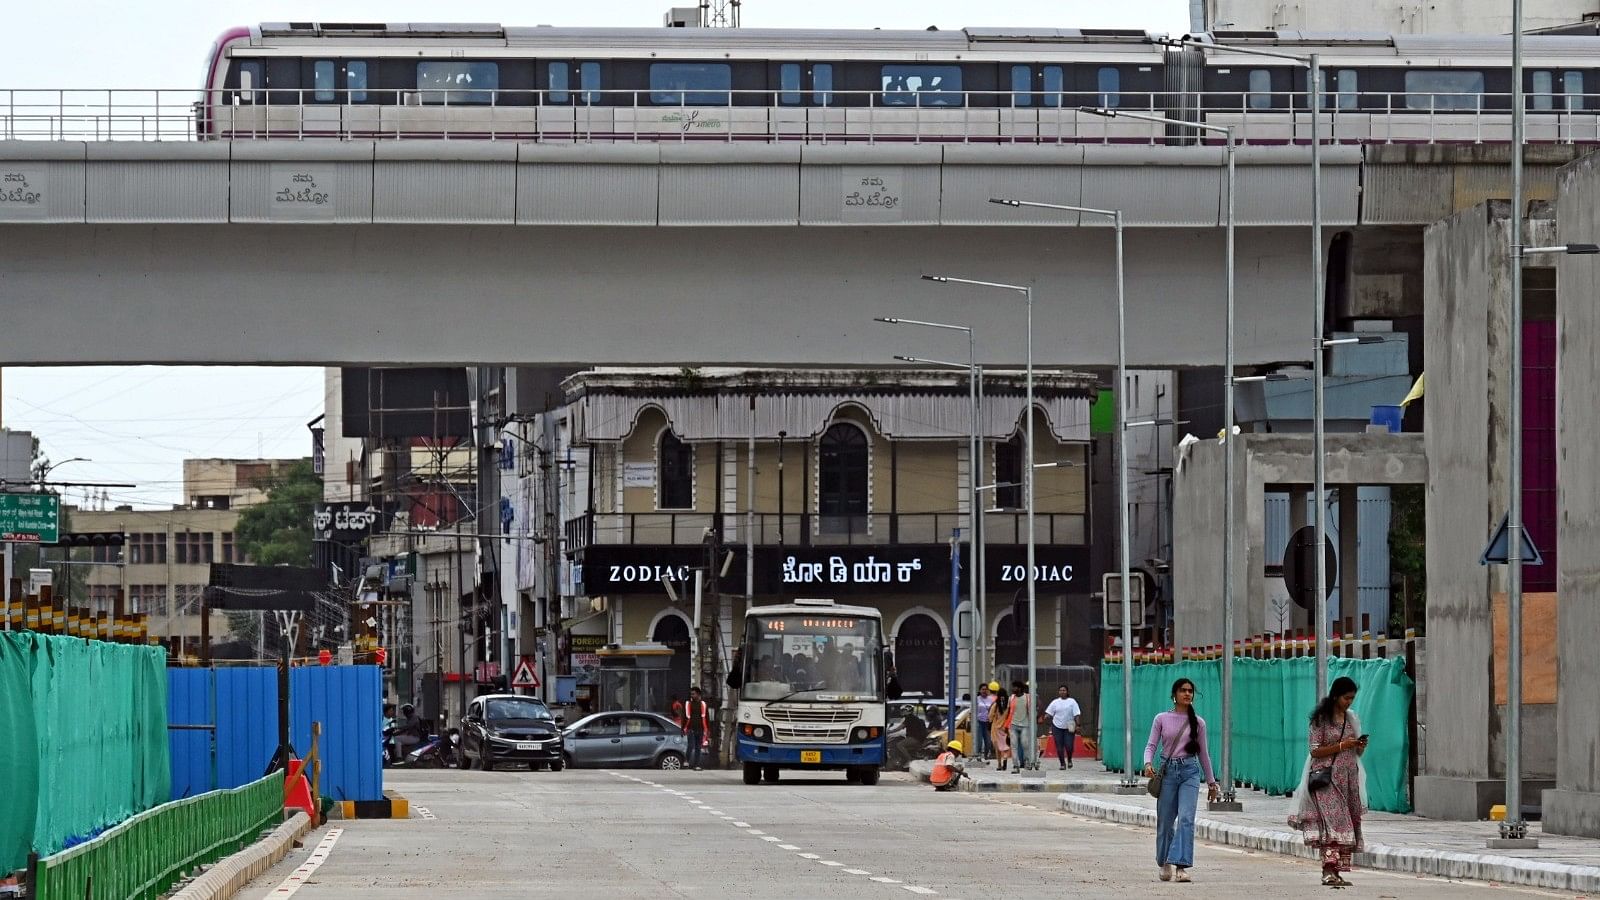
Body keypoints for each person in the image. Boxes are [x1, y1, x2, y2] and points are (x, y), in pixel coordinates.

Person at [1289, 676, 1367, 888]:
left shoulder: (1351, 718)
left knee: (1347, 822)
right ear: (1335, 696)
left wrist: (1359, 745)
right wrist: (1341, 745)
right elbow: (1315, 750)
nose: (1348, 702)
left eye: (1352, 698)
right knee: (1334, 823)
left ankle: (1338, 871)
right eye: (1345, 698)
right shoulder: (1321, 720)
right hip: (1326, 779)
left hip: (1348, 779)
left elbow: (1356, 750)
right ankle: (1327, 869)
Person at [1142, 678, 1221, 883]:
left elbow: (1204, 754)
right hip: (1168, 772)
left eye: (1190, 691)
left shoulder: (1199, 723)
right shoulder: (1161, 719)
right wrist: (1147, 763)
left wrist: (1212, 783)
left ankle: (1181, 866)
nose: (1187, 694)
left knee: (1186, 819)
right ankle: (1165, 861)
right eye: (1183, 690)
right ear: (1174, 694)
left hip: (1190, 773)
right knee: (1166, 822)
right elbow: (1151, 745)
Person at [1044, 684, 1082, 770]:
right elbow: (1049, 713)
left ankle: (1069, 759)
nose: (1062, 692)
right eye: (1060, 690)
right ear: (1058, 692)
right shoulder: (1055, 702)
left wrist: (1078, 725)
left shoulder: (1072, 702)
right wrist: (1044, 717)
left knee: (1069, 746)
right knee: (1059, 746)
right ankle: (1062, 763)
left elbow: (1077, 714)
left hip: (1070, 725)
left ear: (1067, 692)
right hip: (1057, 726)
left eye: (1064, 690)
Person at [682, 687, 711, 770]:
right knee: (691, 745)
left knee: (698, 747)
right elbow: (685, 717)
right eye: (691, 694)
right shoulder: (688, 704)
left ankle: (696, 765)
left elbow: (707, 717)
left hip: (701, 729)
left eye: (693, 694)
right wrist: (683, 728)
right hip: (691, 728)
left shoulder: (703, 704)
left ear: (698, 694)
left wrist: (708, 729)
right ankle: (686, 760)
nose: (692, 695)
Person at [1008, 681, 1033, 771]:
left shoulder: (1027, 697)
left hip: (1025, 725)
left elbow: (1031, 711)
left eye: (1014, 687)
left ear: (1019, 688)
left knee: (1025, 744)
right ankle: (1016, 765)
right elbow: (1008, 711)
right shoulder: (1011, 698)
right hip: (1013, 725)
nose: (1013, 689)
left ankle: (1027, 762)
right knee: (1014, 746)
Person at [990, 684, 1012, 771]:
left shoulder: (995, 705)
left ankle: (999, 764)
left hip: (996, 729)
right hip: (1006, 728)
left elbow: (990, 716)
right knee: (1006, 746)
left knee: (997, 747)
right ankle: (1005, 759)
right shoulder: (1008, 706)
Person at [974, 684, 995, 762]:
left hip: (988, 722)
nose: (984, 691)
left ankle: (986, 755)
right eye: (983, 689)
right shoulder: (977, 699)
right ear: (980, 690)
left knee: (988, 741)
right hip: (979, 722)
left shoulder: (991, 700)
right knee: (979, 740)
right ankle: (978, 755)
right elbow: (973, 711)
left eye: (986, 689)